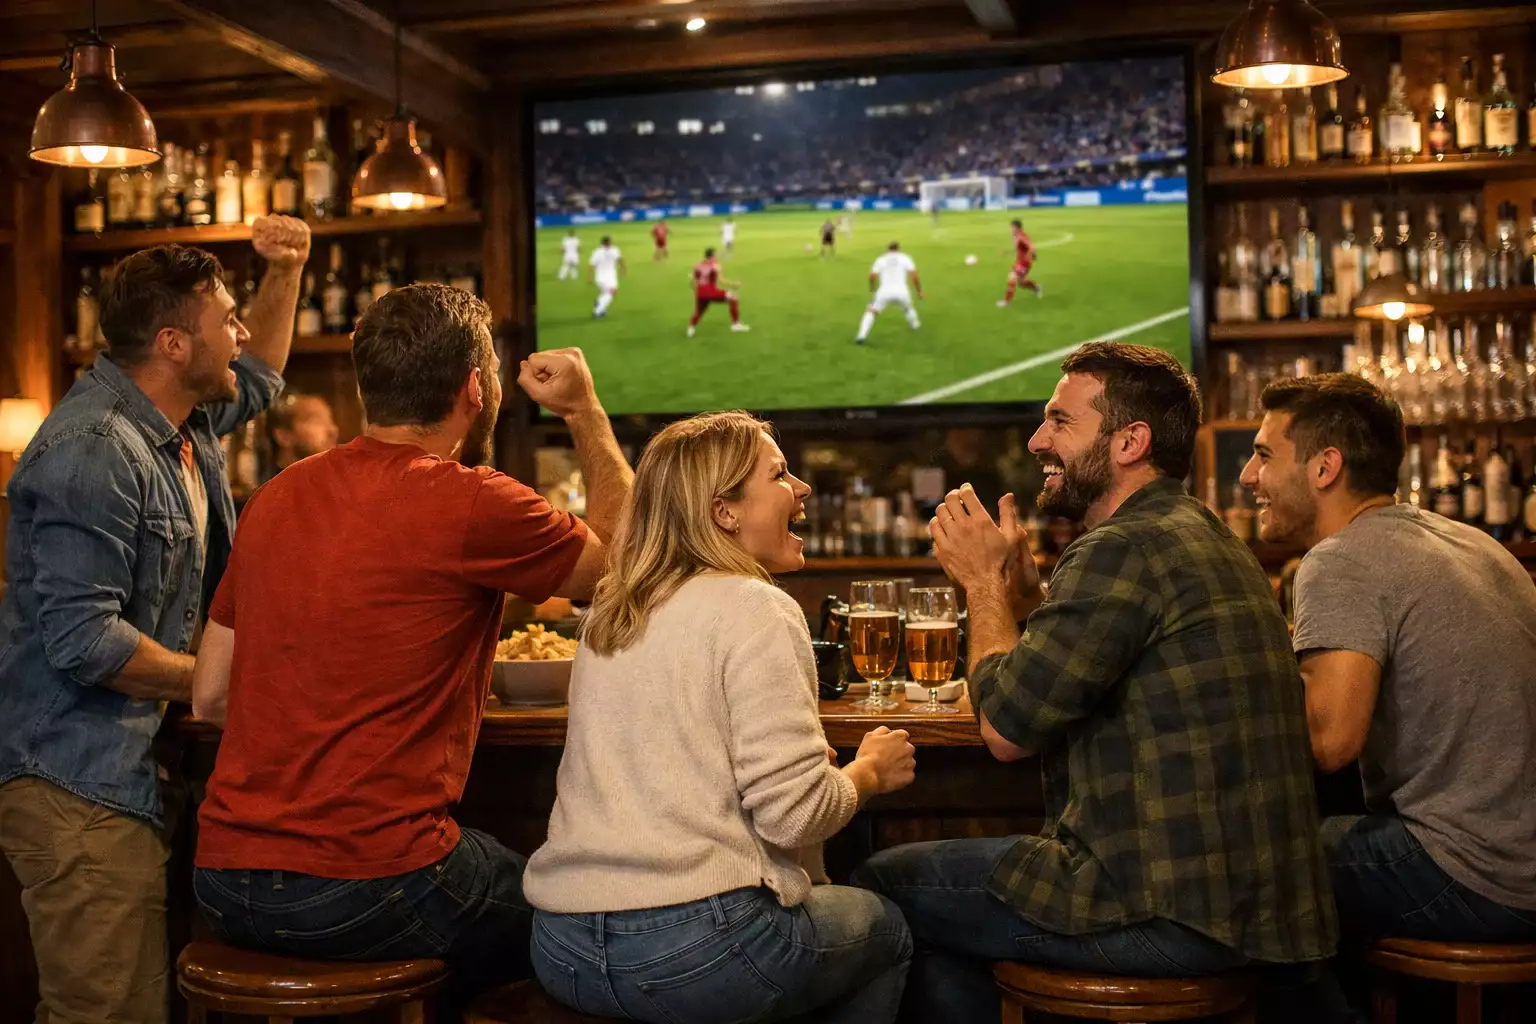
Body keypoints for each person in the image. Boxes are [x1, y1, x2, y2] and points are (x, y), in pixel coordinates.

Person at [854, 342, 1336, 1023]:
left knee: (882, 886)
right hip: (1259, 906)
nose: (1036, 439)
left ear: (1129, 442)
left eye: (1059, 421)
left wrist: (982, 587)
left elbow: (1005, 729)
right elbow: (1087, 661)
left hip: (1166, 907)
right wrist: (1024, 601)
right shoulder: (1200, 534)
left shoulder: (1119, 548)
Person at [188, 285, 633, 1009]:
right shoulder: (475, 501)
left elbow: (209, 695)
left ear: (370, 387)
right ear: (473, 388)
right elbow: (625, 557)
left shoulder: (272, 498)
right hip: (370, 882)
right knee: (585, 923)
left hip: (224, 880)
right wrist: (583, 408)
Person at [0, 216, 310, 1024]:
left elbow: (265, 374)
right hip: (78, 780)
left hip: (139, 768)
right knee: (106, 1013)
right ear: (174, 343)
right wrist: (224, 682)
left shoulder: (180, 421)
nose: (240, 334)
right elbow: (82, 640)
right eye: (226, 320)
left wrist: (288, 268)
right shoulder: (93, 449)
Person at [525, 411, 916, 1023]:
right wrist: (869, 771)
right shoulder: (756, 607)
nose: (802, 489)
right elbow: (794, 816)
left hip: (562, 946)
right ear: (724, 512)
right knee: (886, 931)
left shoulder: (613, 608)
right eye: (780, 474)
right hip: (697, 949)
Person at [1241, 376, 1536, 953]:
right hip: (1520, 861)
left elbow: (1329, 741)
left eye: (1263, 455)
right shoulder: (1474, 544)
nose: (1250, 477)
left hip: (1477, 874)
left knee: (1244, 865)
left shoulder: (1341, 559)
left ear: (1325, 468)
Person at [856, 241, 922, 345]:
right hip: (902, 292)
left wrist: (872, 287)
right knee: (908, 308)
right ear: (898, 249)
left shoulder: (881, 259)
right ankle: (915, 325)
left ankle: (861, 336)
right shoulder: (905, 258)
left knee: (871, 311)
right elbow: (914, 276)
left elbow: (872, 276)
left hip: (884, 292)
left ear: (887, 249)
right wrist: (919, 291)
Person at [263, 391, 339, 480]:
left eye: (329, 420)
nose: (333, 430)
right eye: (317, 420)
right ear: (284, 436)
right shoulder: (270, 491)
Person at [686, 247, 750, 337]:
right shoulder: (716, 265)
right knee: (734, 297)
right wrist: (734, 284)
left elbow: (692, 280)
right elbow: (721, 280)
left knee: (699, 311)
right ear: (713, 256)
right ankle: (735, 324)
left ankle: (691, 329)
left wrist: (695, 293)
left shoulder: (697, 265)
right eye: (715, 255)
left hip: (700, 293)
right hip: (711, 292)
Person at [997, 218, 1041, 306]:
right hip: (1020, 262)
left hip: (1024, 263)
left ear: (1016, 227)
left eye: (1012, 227)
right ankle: (1036, 287)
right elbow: (1017, 248)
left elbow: (1032, 246)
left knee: (1012, 277)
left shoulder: (1021, 236)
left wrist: (1033, 255)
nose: (1010, 229)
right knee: (1022, 283)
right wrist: (1007, 252)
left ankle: (1007, 301)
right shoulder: (1016, 236)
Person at [589, 236, 624, 318]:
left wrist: (589, 278)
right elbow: (620, 260)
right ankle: (597, 311)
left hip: (599, 278)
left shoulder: (596, 252)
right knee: (610, 294)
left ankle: (602, 308)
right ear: (608, 243)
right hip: (609, 278)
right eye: (610, 242)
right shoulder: (614, 250)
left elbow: (591, 265)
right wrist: (624, 269)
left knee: (605, 293)